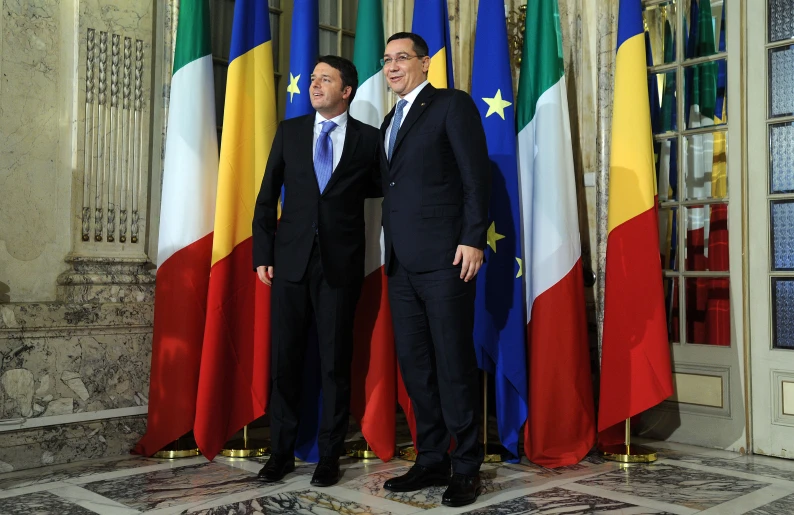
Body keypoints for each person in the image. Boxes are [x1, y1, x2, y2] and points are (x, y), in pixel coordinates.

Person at [252, 55, 381, 487]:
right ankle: (281, 453)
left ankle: (329, 455)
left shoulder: (368, 140)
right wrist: (262, 253)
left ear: (347, 91)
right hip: (288, 264)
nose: (315, 84)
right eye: (312, 79)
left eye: (326, 79)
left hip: (340, 268)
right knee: (285, 362)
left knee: (334, 365)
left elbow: (392, 192)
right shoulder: (289, 132)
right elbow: (267, 197)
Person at [379, 32, 491, 507]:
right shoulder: (389, 118)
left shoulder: (451, 105)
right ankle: (431, 458)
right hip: (401, 264)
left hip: (446, 259)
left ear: (426, 63)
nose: (392, 66)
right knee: (417, 366)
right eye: (386, 60)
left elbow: (475, 175)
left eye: (402, 58)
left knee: (452, 363)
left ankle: (466, 466)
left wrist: (471, 238)